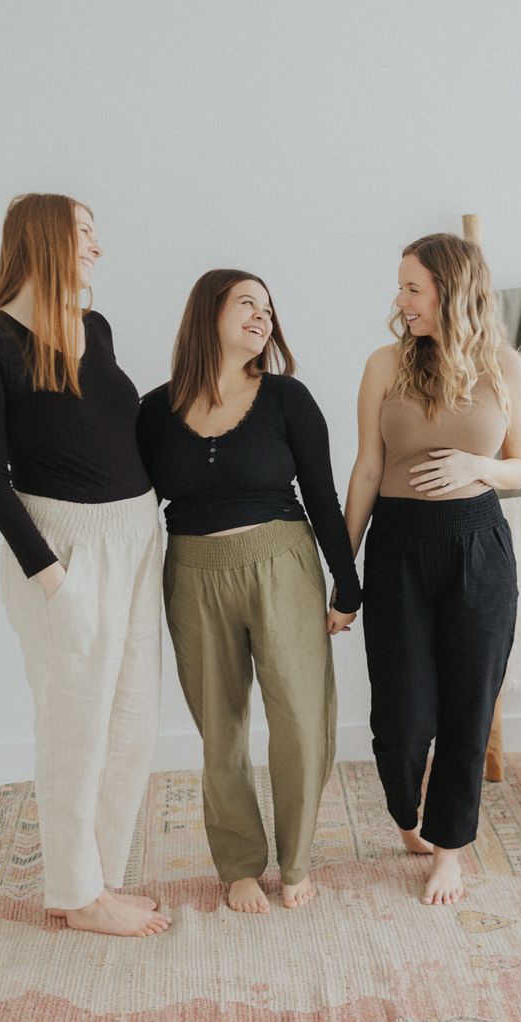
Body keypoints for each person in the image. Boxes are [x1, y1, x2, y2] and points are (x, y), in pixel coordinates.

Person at [0, 194, 169, 937]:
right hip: (64, 553)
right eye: (85, 234)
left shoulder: (94, 327)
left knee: (133, 721)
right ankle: (75, 893)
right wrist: (53, 579)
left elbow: (117, 425)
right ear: (43, 238)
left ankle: (95, 878)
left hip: (138, 538)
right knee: (76, 727)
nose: (98, 248)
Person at [136, 269, 360, 913]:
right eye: (247, 303)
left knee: (298, 717)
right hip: (193, 573)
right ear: (208, 313)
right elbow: (131, 505)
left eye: (268, 308)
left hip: (282, 563)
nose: (262, 316)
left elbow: (322, 496)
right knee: (219, 728)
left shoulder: (289, 399)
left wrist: (348, 587)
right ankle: (237, 864)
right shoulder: (154, 410)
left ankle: (295, 862)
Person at [342, 233, 521, 906]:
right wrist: (345, 570)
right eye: (401, 287)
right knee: (401, 715)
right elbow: (368, 467)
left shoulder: (507, 367)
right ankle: (406, 814)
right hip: (397, 547)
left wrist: (476, 466)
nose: (400, 300)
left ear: (450, 291)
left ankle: (450, 848)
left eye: (412, 287)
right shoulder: (383, 365)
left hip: (477, 547)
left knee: (467, 707)